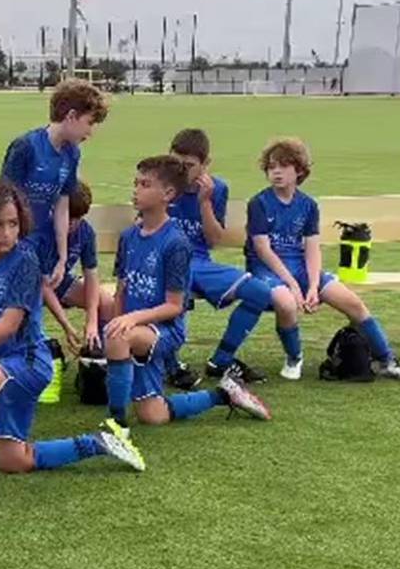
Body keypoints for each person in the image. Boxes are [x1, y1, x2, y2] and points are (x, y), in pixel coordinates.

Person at [0, 182, 144, 497]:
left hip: (29, 363)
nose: (6, 232)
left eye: (13, 223)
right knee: (14, 460)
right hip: (4, 363)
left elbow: (10, 323)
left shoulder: (25, 259)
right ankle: (99, 443)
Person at [103, 156, 272, 443]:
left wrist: (128, 323)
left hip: (165, 330)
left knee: (119, 337)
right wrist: (118, 320)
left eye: (145, 185)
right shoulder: (129, 236)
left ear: (168, 195)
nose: (136, 190)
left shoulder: (176, 243)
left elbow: (174, 306)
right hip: (135, 330)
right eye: (135, 183)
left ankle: (116, 429)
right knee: (152, 415)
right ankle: (224, 393)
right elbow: (122, 288)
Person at [245, 138, 400, 383]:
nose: (276, 172)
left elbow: (312, 248)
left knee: (354, 303)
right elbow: (263, 250)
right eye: (271, 167)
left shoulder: (308, 205)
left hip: (300, 268)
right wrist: (294, 285)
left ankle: (387, 361)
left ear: (299, 170)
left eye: (283, 166)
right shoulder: (259, 203)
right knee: (286, 301)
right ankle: (294, 357)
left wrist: (312, 285)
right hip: (269, 269)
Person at [168, 128, 292, 384]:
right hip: (168, 262)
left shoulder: (217, 189)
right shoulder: (162, 182)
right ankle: (171, 364)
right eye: (175, 163)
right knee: (173, 298)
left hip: (200, 262)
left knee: (259, 292)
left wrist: (205, 203)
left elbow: (213, 240)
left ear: (205, 165)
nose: (181, 171)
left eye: (189, 165)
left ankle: (221, 360)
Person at [0, 79, 108, 291]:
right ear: (71, 116)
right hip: (15, 248)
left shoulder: (72, 153)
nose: (90, 132)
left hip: (42, 247)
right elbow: (4, 203)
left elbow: (62, 204)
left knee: (103, 303)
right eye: (89, 123)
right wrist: (14, 251)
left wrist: (62, 258)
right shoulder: (26, 146)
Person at [42, 179, 114, 353]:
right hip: (32, 287)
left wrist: (92, 321)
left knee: (106, 302)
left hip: (61, 283)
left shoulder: (85, 232)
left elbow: (91, 276)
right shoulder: (41, 232)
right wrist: (66, 325)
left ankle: (98, 352)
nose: (72, 223)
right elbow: (42, 285)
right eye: (68, 216)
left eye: (78, 218)